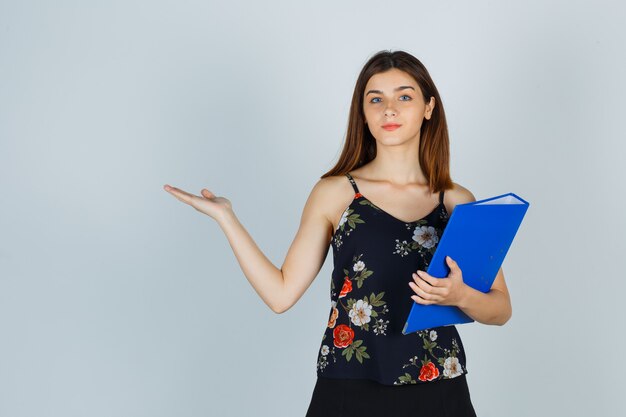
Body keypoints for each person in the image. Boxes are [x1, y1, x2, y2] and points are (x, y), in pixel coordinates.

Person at [163, 49, 512, 417]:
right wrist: (227, 219)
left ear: (428, 107)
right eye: (375, 99)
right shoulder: (335, 193)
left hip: (440, 386)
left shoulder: (457, 201)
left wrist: (460, 294)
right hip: (349, 386)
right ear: (362, 113)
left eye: (404, 96)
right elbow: (280, 295)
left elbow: (500, 308)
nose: (389, 109)